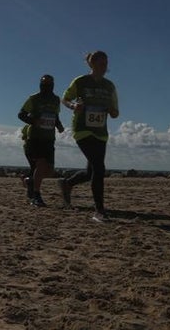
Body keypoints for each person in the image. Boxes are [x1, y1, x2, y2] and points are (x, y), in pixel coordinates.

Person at [58, 51, 119, 222]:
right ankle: (99, 211)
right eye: (101, 63)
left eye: (106, 63)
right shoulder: (80, 81)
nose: (104, 66)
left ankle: (67, 183)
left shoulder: (110, 86)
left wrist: (112, 110)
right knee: (99, 168)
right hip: (82, 129)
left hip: (101, 132)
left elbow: (115, 113)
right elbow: (65, 99)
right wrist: (73, 105)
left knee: (90, 171)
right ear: (92, 64)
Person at [18, 74, 65, 207]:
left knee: (49, 170)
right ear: (40, 85)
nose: (46, 86)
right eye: (44, 84)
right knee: (40, 165)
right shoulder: (34, 98)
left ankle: (29, 182)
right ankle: (36, 196)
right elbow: (21, 114)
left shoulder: (56, 100)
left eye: (49, 84)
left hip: (49, 138)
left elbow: (55, 115)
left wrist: (59, 125)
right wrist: (34, 121)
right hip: (35, 137)